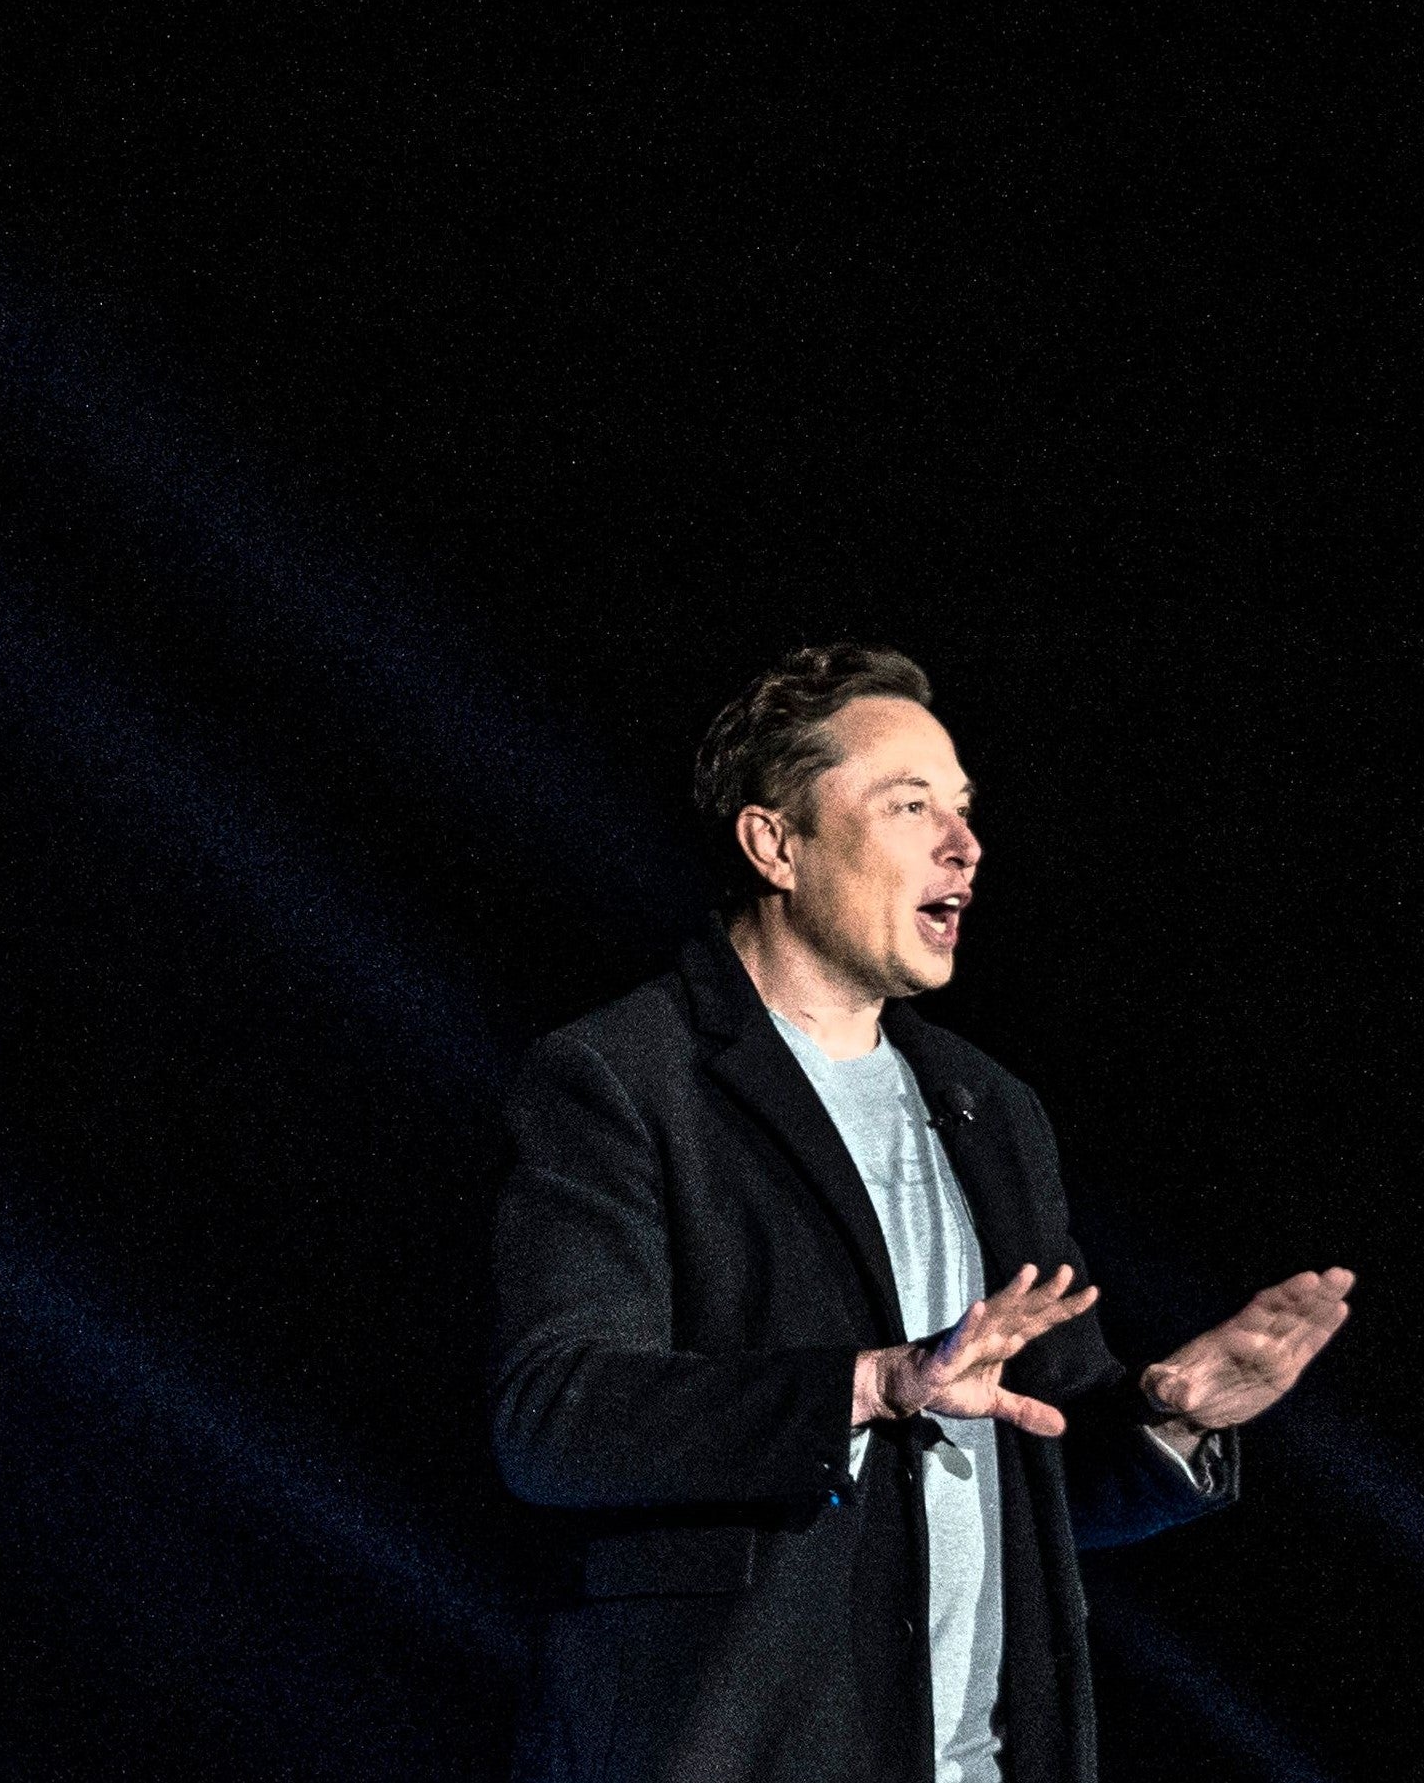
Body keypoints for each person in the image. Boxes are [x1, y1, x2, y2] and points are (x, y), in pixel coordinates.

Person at [489, 644, 1354, 1783]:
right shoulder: (622, 1079)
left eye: (963, 810)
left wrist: (1166, 1416)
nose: (964, 846)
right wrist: (870, 1383)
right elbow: (557, 1422)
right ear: (774, 843)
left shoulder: (989, 1109)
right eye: (909, 807)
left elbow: (1042, 1478)